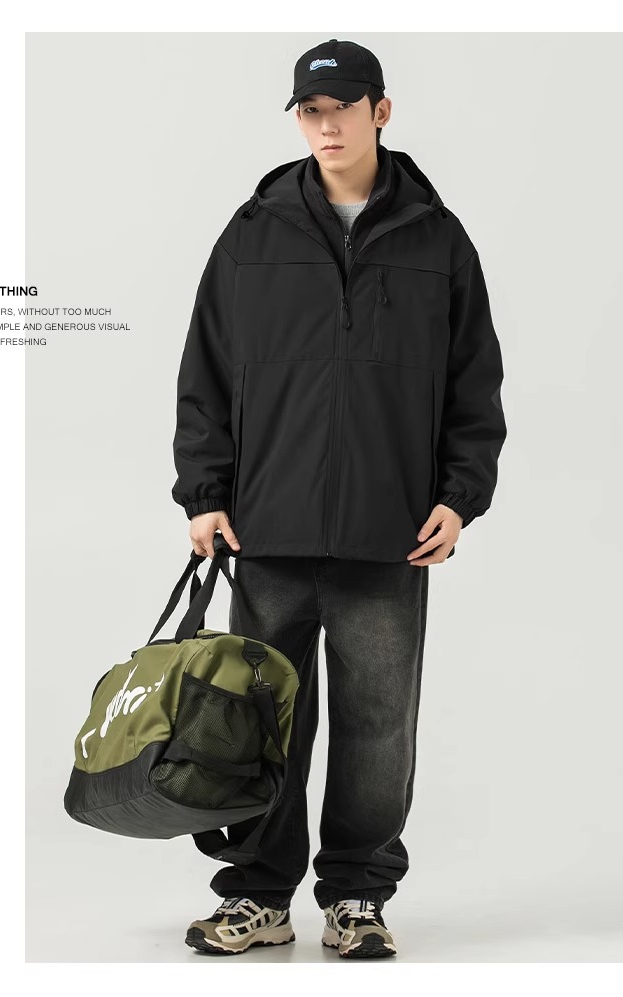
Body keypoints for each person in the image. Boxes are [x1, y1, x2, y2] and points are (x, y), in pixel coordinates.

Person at [171, 38, 507, 958]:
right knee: (262, 722)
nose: (326, 126)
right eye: (310, 112)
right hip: (267, 527)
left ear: (380, 112)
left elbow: (474, 383)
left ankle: (357, 896)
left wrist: (460, 496)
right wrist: (204, 493)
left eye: (343, 109)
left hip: (389, 532)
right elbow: (204, 372)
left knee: (377, 728)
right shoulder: (253, 233)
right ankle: (258, 896)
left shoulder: (438, 238)